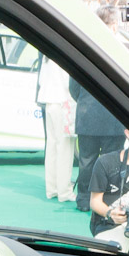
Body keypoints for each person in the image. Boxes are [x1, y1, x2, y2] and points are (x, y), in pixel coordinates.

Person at [71, 6, 127, 213]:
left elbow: (73, 87)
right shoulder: (123, 51)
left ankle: (83, 199)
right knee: (112, 162)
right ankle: (108, 200)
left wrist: (84, 101)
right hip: (114, 117)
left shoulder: (82, 48)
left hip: (87, 115)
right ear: (114, 25)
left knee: (86, 161)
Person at [37, 55, 76, 202]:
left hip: (49, 102)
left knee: (52, 147)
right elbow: (69, 83)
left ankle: (52, 188)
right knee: (65, 149)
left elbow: (41, 80)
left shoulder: (47, 56)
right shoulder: (64, 55)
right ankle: (64, 191)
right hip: (63, 102)